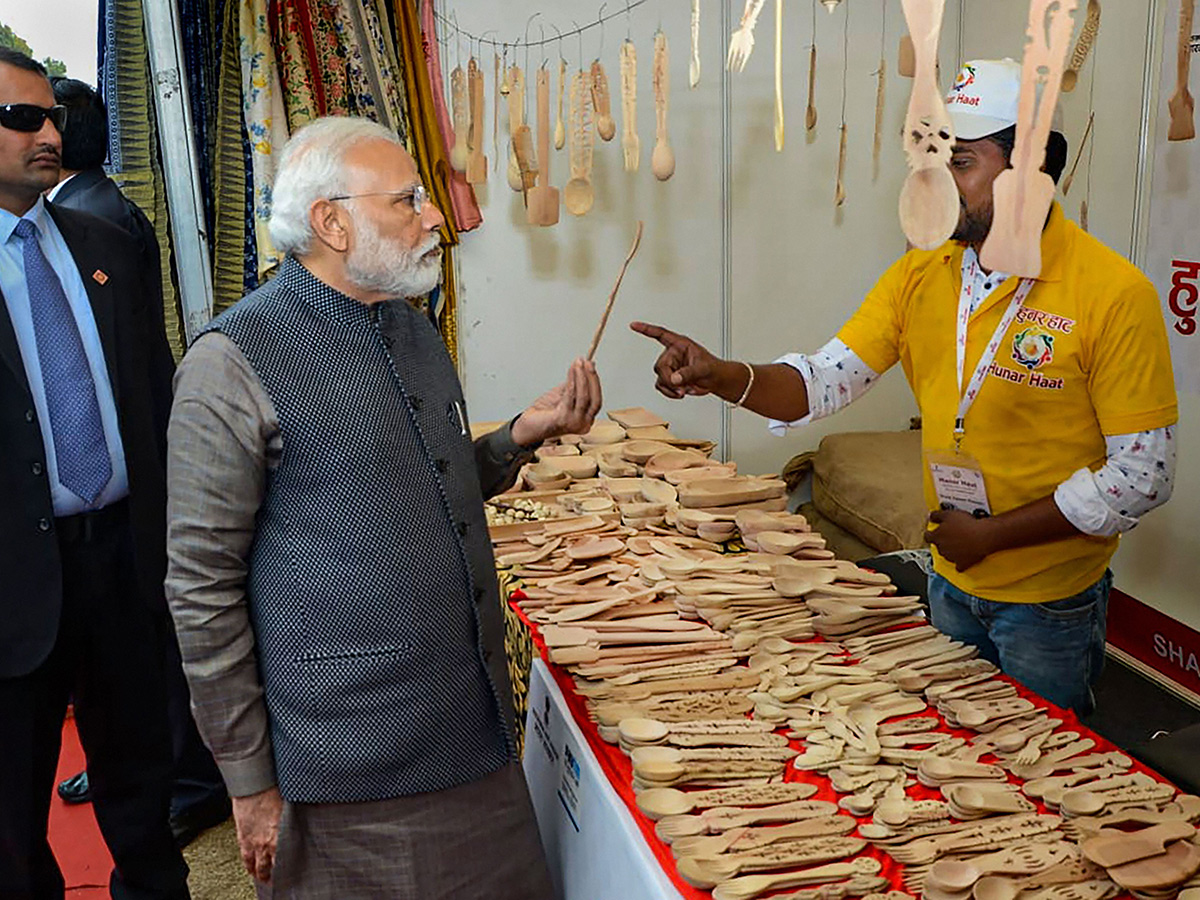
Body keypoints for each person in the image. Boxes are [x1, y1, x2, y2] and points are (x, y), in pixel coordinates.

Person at [632, 58, 1178, 716]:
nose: (938, 182)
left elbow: (1144, 472)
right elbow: (824, 380)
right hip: (951, 576)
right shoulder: (924, 271)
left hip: (1048, 605)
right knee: (953, 761)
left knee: (1045, 774)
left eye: (962, 162)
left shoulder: (1114, 293)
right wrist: (717, 374)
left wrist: (994, 536)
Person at [165, 115, 601, 898]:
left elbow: (421, 485)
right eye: (406, 201)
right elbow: (200, 588)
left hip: (468, 724)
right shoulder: (233, 361)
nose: (434, 216)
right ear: (331, 222)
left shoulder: (408, 328)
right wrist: (248, 780)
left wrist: (520, 437)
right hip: (349, 764)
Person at [0, 48, 190, 899]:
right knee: (12, 828)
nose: (51, 133)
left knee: (144, 796)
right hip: (12, 584)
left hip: (123, 564)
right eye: (23, 119)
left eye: (54, 117)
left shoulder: (108, 243)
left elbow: (155, 399)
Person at [46, 76, 231, 846]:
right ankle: (157, 771)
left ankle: (184, 781)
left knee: (154, 646)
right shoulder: (96, 211)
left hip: (123, 496)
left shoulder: (88, 225)